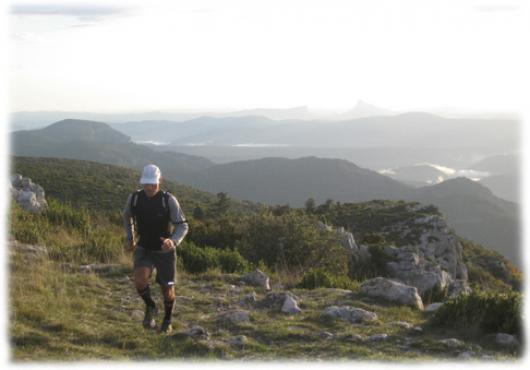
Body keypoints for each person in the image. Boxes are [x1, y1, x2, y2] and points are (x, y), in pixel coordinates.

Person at [122, 164, 189, 334]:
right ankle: (151, 307)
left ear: (160, 181)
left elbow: (182, 226)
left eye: (153, 183)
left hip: (164, 251)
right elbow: (127, 216)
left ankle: (167, 320)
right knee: (139, 280)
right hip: (144, 247)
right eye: (146, 183)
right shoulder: (135, 198)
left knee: (167, 289)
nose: (150, 187)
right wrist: (130, 237)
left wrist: (173, 241)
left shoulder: (168, 200)